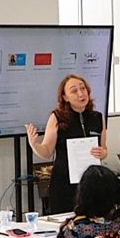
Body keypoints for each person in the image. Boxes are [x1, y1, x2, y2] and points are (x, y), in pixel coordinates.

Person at [25, 74, 108, 215]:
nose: (81, 93)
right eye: (74, 91)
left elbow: (104, 149)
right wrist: (34, 144)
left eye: (83, 89)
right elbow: (46, 151)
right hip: (64, 183)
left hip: (91, 182)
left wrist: (103, 153)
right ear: (65, 97)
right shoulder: (57, 117)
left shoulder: (98, 117)